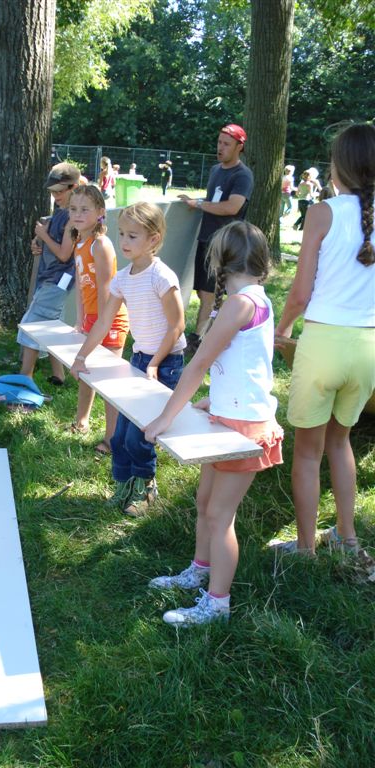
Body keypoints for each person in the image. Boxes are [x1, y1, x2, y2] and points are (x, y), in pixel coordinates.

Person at [145, 221, 283, 626]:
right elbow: (247, 364)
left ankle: (217, 604)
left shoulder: (241, 304)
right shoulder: (251, 299)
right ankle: (200, 572)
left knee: (221, 516)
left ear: (220, 261)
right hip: (228, 417)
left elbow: (200, 362)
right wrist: (214, 400)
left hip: (245, 429)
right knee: (205, 504)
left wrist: (167, 416)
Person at [274, 123, 375, 556]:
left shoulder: (323, 212)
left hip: (322, 345)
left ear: (340, 166)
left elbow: (299, 293)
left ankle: (304, 548)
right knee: (341, 442)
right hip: (367, 350)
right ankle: (347, 537)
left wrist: (280, 329)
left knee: (308, 453)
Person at [71, 202, 186, 517]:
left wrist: (155, 362)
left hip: (167, 361)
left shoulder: (161, 276)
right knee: (121, 433)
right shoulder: (122, 278)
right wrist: (81, 356)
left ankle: (145, 488)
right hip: (139, 358)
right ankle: (123, 486)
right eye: (122, 233)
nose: (124, 242)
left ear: (154, 239)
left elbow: (178, 326)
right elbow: (104, 322)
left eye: (133, 236)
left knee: (141, 433)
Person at [179, 124, 254, 353]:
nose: (220, 148)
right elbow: (215, 200)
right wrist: (197, 201)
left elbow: (232, 207)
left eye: (226, 144)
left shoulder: (243, 175)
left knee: (212, 294)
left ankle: (200, 339)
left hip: (225, 243)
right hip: (206, 239)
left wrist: (199, 204)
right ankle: (206, 335)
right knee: (204, 293)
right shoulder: (215, 170)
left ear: (239, 147)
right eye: (219, 142)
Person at [68, 185, 129, 454]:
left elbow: (107, 291)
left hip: (110, 321)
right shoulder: (79, 242)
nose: (78, 214)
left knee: (108, 382)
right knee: (85, 374)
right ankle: (81, 422)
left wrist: (100, 329)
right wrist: (82, 321)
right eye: (73, 209)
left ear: (100, 213)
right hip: (93, 319)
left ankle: (112, 438)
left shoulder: (100, 245)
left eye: (85, 209)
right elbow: (83, 287)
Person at [17, 162, 80, 384]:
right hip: (53, 277)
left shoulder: (74, 217)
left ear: (75, 187)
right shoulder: (62, 210)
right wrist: (38, 241)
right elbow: (52, 233)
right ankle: (58, 374)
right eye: (52, 192)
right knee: (53, 325)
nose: (55, 196)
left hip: (58, 279)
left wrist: (43, 236)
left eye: (60, 192)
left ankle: (26, 378)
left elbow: (64, 254)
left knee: (32, 324)